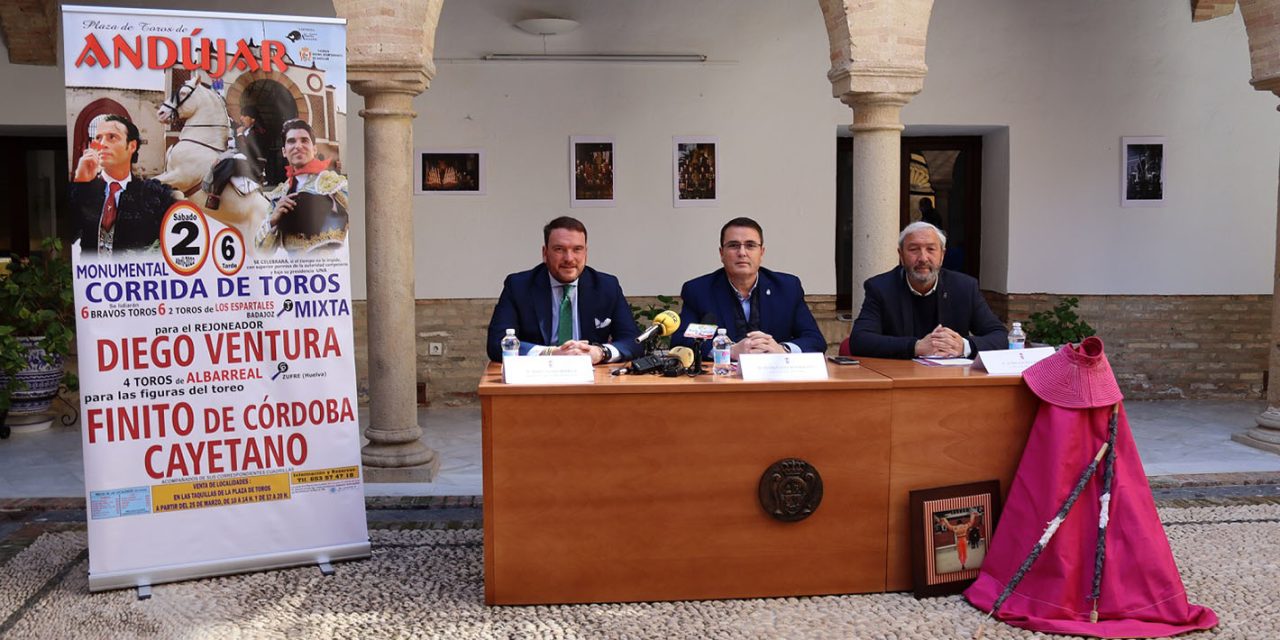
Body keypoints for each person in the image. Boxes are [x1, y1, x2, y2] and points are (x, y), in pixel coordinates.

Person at [486, 216, 642, 363]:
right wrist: (551, 353)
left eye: (577, 249)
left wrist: (600, 352)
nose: (569, 258)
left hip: (592, 377)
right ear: (545, 253)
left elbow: (634, 342)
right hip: (537, 377)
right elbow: (497, 343)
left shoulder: (606, 286)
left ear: (586, 253)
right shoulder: (519, 286)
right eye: (559, 249)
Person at [671, 217, 826, 359]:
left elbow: (814, 340)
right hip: (721, 381)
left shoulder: (787, 288)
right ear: (721, 253)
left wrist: (782, 349)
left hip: (774, 379)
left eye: (750, 245)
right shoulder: (699, 290)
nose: (742, 253)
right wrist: (728, 350)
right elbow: (681, 341)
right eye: (733, 246)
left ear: (761, 252)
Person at [848, 221, 1006, 359]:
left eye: (931, 249)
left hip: (951, 380)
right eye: (914, 249)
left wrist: (964, 346)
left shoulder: (964, 287)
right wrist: (916, 347)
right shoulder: (880, 288)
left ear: (942, 255)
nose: (923, 258)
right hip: (899, 379)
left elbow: (1000, 336)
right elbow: (860, 340)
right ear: (901, 255)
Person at [70, 114, 176, 255]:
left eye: (112, 137)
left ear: (132, 146)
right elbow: (67, 237)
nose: (102, 144)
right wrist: (80, 184)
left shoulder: (153, 194)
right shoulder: (83, 190)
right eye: (98, 138)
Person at [254, 119, 349, 254]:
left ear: (314, 149)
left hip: (330, 269)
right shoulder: (279, 194)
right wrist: (273, 220)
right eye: (291, 141)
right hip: (295, 272)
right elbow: (261, 252)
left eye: (304, 140)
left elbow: (362, 224)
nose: (298, 146)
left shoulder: (334, 184)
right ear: (284, 151)